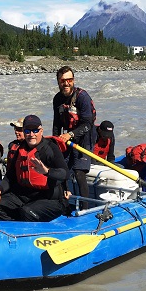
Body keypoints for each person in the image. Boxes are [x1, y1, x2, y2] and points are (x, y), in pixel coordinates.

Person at [0, 115, 69, 222]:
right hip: (24, 195)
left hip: (49, 198)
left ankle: (27, 233)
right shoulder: (21, 149)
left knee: (27, 212)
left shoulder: (50, 148)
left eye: (35, 130)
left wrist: (47, 171)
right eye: (27, 131)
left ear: (41, 131)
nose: (31, 134)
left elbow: (65, 173)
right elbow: (10, 176)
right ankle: (11, 233)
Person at [52, 66, 96, 208]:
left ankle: (85, 208)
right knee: (61, 169)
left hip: (85, 137)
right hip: (67, 137)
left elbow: (88, 123)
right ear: (58, 82)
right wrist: (54, 143)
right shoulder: (57, 99)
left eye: (69, 80)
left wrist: (70, 134)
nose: (66, 83)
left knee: (79, 172)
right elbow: (57, 124)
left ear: (73, 80)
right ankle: (64, 203)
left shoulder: (82, 97)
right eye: (62, 80)